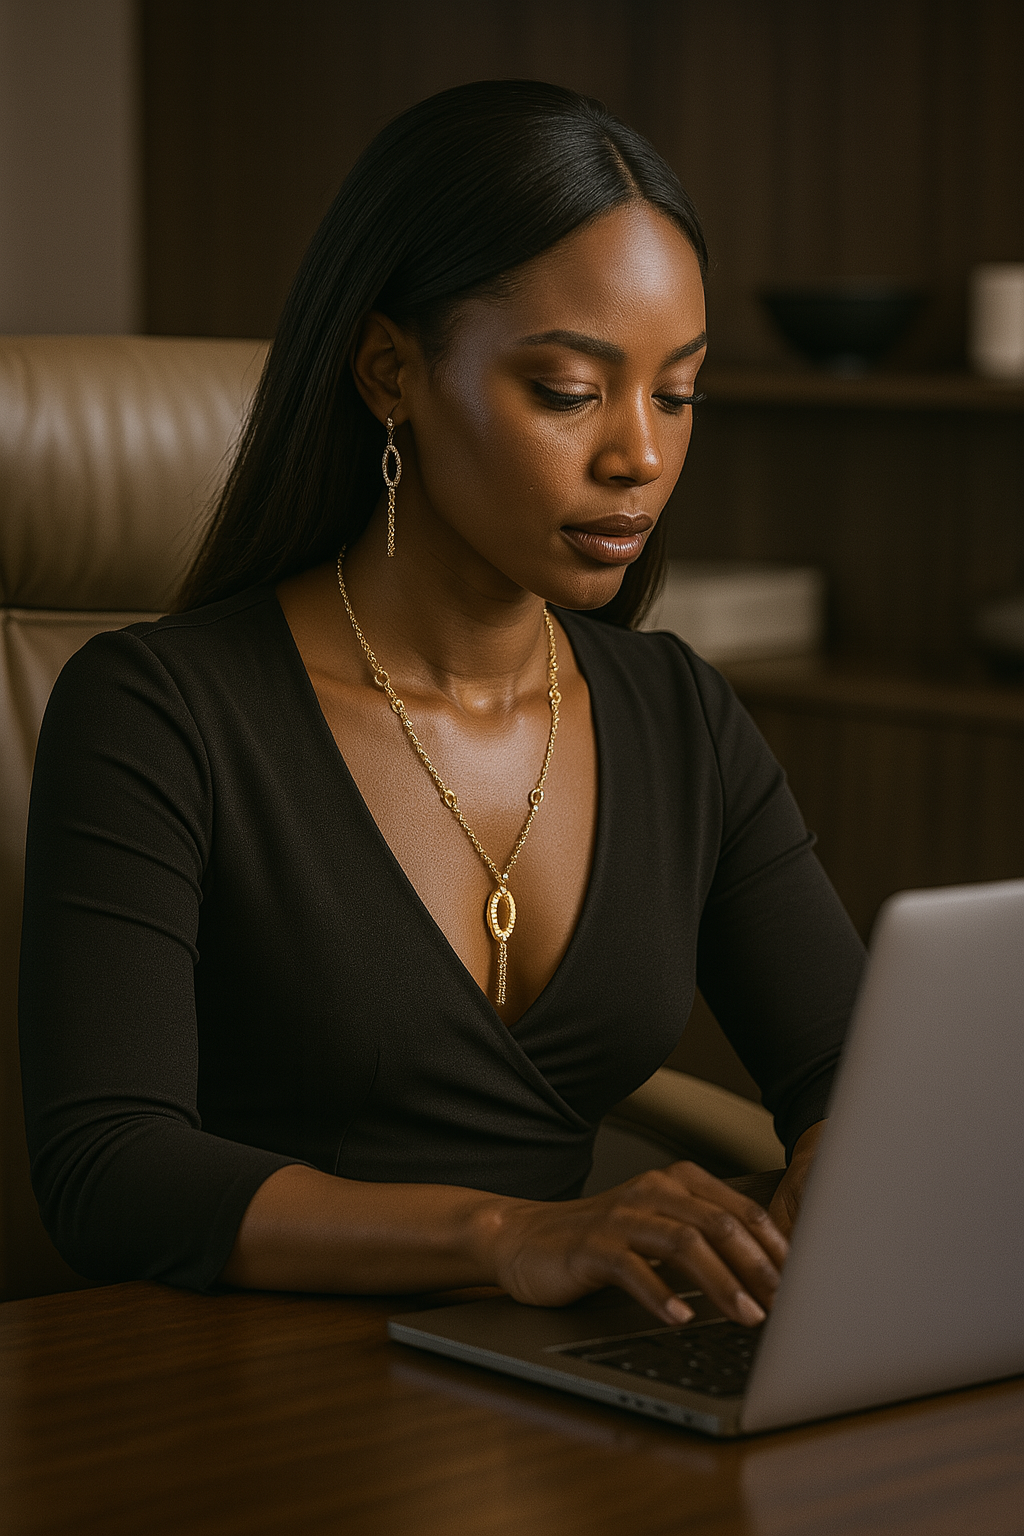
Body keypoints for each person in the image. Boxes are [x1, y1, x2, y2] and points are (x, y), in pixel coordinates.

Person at [19, 80, 865, 1332]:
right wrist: (512, 1236)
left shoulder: (678, 713)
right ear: (390, 372)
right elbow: (109, 1172)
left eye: (677, 393)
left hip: (554, 1381)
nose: (639, 455)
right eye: (568, 390)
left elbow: (849, 1065)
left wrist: (846, 1174)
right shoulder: (158, 710)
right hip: (244, 1381)